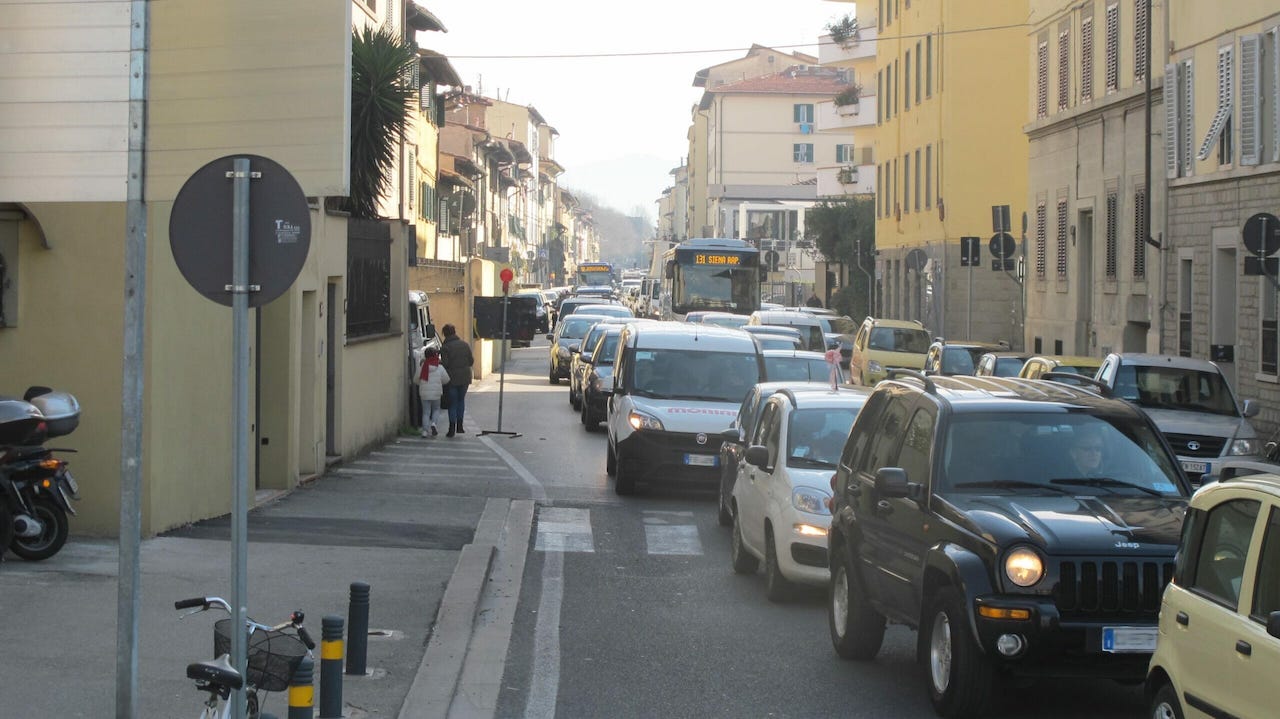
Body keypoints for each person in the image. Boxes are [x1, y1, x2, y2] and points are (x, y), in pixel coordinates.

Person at [439, 323, 474, 437]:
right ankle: (460, 426)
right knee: (461, 400)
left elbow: (445, 364)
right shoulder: (465, 344)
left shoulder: (445, 347)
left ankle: (451, 428)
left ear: (445, 334)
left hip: (452, 378)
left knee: (452, 403)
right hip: (465, 377)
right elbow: (471, 361)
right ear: (454, 332)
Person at [416, 347, 450, 438]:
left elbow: (416, 379)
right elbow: (446, 379)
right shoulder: (439, 367)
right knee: (436, 409)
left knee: (426, 412)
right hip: (436, 393)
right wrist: (439, 383)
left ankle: (424, 431)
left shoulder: (422, 366)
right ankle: (434, 424)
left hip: (424, 393)